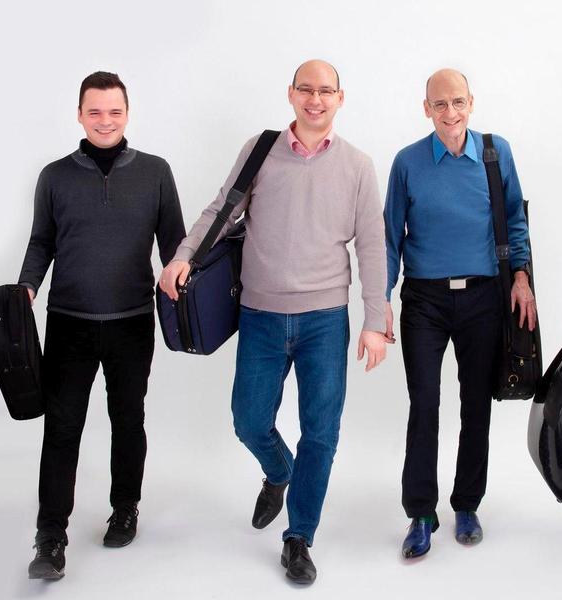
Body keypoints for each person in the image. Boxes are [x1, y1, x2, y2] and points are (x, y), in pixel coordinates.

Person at [159, 59, 388, 585]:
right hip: (260, 314)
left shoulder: (357, 165)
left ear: (340, 98)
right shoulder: (260, 150)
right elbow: (221, 211)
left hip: (325, 319)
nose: (315, 99)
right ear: (291, 94)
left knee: (321, 433)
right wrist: (183, 256)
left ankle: (299, 537)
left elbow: (373, 247)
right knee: (248, 420)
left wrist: (375, 320)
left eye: (325, 91)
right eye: (306, 89)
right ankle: (279, 470)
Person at [18, 71, 186, 580]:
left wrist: (188, 288)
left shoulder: (156, 172)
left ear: (127, 114)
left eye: (114, 111)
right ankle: (50, 537)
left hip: (132, 322)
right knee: (61, 427)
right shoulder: (54, 176)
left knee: (127, 419)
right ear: (79, 115)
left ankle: (125, 508)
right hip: (68, 322)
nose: (105, 121)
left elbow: (176, 245)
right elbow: (41, 242)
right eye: (95, 111)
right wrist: (27, 287)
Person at [384, 68, 534, 559]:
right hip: (424, 302)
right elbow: (390, 236)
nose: (450, 113)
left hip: (483, 298)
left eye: (458, 102)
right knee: (424, 404)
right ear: (426, 108)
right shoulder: (407, 162)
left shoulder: (495, 152)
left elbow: (515, 219)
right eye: (440, 104)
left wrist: (521, 277)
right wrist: (381, 299)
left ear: (471, 102)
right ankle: (421, 513)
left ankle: (467, 504)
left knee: (476, 405)